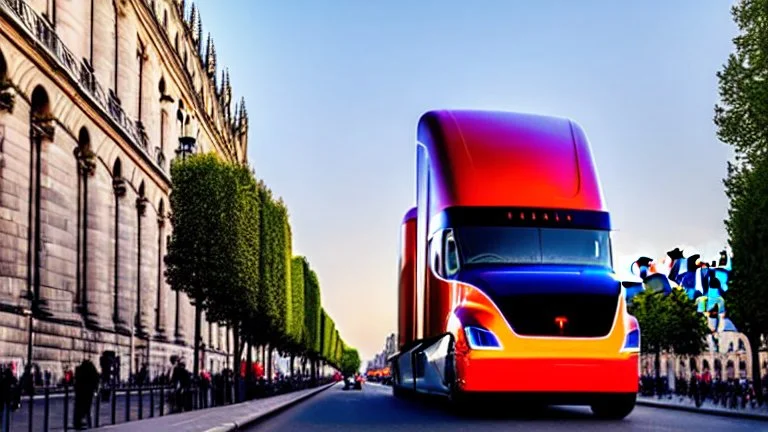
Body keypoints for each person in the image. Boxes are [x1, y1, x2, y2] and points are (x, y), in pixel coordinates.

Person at [73, 359, 99, 430]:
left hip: (80, 392)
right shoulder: (92, 370)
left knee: (78, 408)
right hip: (88, 392)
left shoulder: (79, 370)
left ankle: (78, 423)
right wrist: (95, 390)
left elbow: (76, 381)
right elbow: (96, 380)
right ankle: (87, 423)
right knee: (87, 409)